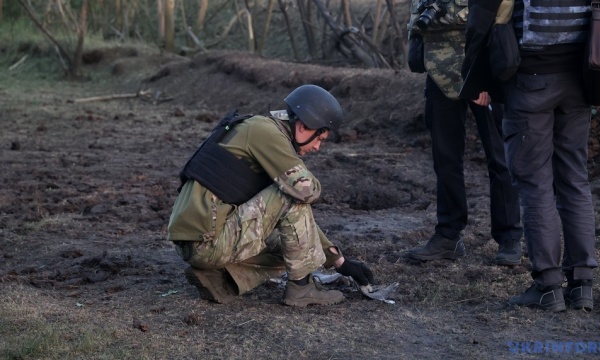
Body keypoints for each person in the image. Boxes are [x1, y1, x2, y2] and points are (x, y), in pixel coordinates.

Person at [167, 84, 374, 307]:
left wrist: (339, 262)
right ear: (304, 126)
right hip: (209, 242)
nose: (317, 147)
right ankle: (301, 289)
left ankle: (220, 277)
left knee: (292, 242)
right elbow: (306, 191)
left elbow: (300, 233)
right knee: (291, 194)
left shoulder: (255, 128)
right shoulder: (266, 131)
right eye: (319, 138)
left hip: (197, 243)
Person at [462, 0, 600, 311]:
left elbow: (481, 19)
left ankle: (548, 286)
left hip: (529, 82)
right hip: (581, 76)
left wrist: (477, 79)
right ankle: (582, 286)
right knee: (575, 180)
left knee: (536, 184)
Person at [404, 0, 523, 265]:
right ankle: (448, 235)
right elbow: (415, 18)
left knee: (500, 157)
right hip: (439, 71)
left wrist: (487, 77)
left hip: (482, 65)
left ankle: (509, 237)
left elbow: (496, 15)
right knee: (445, 158)